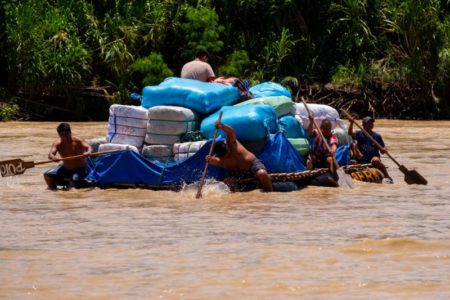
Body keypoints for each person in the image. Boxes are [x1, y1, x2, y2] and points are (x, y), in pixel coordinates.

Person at [205, 122, 273, 192]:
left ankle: (270, 193)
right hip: (238, 173)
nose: (228, 156)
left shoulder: (231, 143)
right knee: (227, 181)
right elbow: (212, 161)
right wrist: (209, 160)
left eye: (228, 153)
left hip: (252, 165)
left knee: (262, 173)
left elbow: (230, 131)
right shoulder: (218, 160)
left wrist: (222, 126)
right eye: (225, 157)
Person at [44, 123, 92, 189]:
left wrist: (88, 152)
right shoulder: (57, 143)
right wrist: (53, 157)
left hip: (79, 168)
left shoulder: (77, 140)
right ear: (59, 135)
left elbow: (88, 147)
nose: (65, 137)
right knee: (47, 175)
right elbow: (50, 154)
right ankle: (53, 190)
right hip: (66, 168)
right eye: (62, 135)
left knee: (72, 183)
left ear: (70, 133)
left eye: (67, 134)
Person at [348, 116, 393, 183]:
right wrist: (351, 123)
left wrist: (384, 150)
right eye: (368, 123)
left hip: (373, 158)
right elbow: (350, 133)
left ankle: (387, 176)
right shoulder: (359, 133)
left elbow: (382, 150)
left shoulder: (377, 136)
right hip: (361, 158)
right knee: (352, 160)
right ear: (363, 125)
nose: (370, 125)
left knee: (375, 160)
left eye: (371, 123)